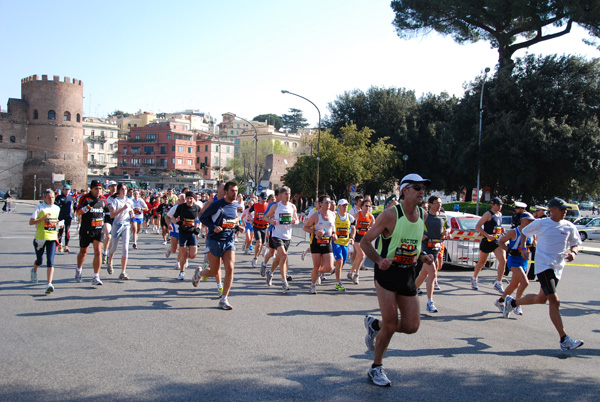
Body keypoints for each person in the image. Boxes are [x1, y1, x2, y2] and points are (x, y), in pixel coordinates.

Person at [361, 174, 434, 387]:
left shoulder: (423, 214)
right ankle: (376, 368)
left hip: (408, 273)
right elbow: (365, 242)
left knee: (412, 326)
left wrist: (423, 256)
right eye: (418, 187)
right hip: (387, 273)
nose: (422, 191)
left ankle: (375, 325)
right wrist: (379, 259)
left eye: (424, 188)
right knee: (392, 323)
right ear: (405, 190)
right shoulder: (390, 215)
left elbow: (414, 243)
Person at [503, 198, 584, 351]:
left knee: (542, 299)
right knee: (554, 301)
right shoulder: (542, 223)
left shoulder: (569, 226)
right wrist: (524, 248)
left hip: (558, 268)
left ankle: (512, 302)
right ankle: (564, 339)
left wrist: (573, 252)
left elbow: (576, 243)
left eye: (565, 209)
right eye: (561, 209)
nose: (565, 211)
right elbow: (525, 232)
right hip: (544, 265)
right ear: (552, 209)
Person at [196, 182, 244, 309]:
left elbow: (231, 222)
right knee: (214, 271)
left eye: (237, 190)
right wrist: (213, 227)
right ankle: (200, 274)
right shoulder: (216, 205)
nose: (235, 193)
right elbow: (203, 218)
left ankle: (224, 299)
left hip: (228, 240)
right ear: (225, 192)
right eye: (233, 191)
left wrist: (238, 227)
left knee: (230, 267)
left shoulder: (235, 206)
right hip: (214, 240)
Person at [495, 212, 535, 315]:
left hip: (524, 261)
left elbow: (533, 245)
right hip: (513, 260)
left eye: (532, 221)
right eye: (528, 220)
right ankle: (516, 304)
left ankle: (500, 301)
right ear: (522, 220)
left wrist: (531, 249)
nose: (530, 222)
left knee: (514, 284)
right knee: (525, 282)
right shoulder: (514, 232)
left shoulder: (532, 233)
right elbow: (500, 242)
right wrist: (508, 250)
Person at [414, 195, 449, 313]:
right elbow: (414, 228)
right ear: (430, 204)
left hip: (436, 248)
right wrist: (420, 235)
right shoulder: (424, 216)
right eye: (436, 203)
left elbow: (447, 228)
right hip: (424, 248)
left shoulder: (443, 216)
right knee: (433, 273)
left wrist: (446, 232)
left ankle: (408, 295)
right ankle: (430, 302)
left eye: (440, 203)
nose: (439, 205)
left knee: (424, 274)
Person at [264, 186, 299, 293]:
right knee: (284, 255)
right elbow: (265, 217)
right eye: (286, 194)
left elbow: (297, 220)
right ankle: (284, 282)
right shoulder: (275, 207)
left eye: (289, 194)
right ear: (280, 195)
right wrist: (271, 221)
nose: (288, 196)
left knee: (279, 258)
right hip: (276, 235)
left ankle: (270, 273)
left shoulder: (292, 207)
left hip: (287, 236)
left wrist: (294, 221)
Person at [75, 180, 109, 286]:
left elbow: (107, 211)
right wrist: (87, 207)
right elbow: (78, 213)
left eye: (100, 189)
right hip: (86, 229)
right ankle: (79, 269)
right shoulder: (85, 198)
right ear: (92, 189)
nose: (99, 191)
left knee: (98, 251)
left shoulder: (103, 199)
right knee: (83, 252)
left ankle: (96, 276)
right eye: (96, 188)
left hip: (98, 229)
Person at [471, 197, 507, 293]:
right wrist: (487, 235)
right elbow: (477, 226)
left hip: (497, 241)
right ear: (493, 205)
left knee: (503, 260)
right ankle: (474, 278)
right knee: (482, 262)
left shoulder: (500, 214)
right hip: (487, 241)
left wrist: (501, 230)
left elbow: (497, 226)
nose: (500, 207)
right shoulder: (488, 214)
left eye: (501, 205)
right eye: (498, 205)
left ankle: (499, 283)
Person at [303, 195, 337, 294]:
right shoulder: (316, 215)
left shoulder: (332, 214)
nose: (328, 204)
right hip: (316, 243)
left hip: (327, 243)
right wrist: (315, 232)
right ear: (321, 204)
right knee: (316, 265)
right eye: (326, 202)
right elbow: (305, 227)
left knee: (330, 267)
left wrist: (334, 234)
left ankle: (316, 273)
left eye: (329, 202)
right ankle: (313, 285)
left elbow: (332, 227)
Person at [29, 189, 61, 293]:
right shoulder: (39, 207)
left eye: (53, 197)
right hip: (40, 237)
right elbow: (31, 222)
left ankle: (49, 284)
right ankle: (34, 270)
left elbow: (55, 221)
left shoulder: (57, 208)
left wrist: (58, 223)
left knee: (50, 261)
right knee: (39, 260)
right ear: (44, 198)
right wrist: (43, 218)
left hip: (52, 237)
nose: (51, 199)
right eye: (49, 198)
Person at [170, 191, 201, 280]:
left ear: (194, 199)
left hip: (192, 233)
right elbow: (172, 218)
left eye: (191, 198)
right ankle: (182, 272)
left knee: (193, 255)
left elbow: (200, 219)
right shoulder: (181, 207)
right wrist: (177, 222)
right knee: (183, 253)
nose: (189, 200)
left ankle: (185, 258)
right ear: (185, 199)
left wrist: (198, 226)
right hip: (183, 232)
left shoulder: (197, 208)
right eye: (187, 198)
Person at [106, 183, 134, 280]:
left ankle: (123, 272)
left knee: (125, 248)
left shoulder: (129, 201)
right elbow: (112, 215)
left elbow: (131, 210)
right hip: (117, 224)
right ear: (118, 191)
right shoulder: (115, 201)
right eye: (122, 189)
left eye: (125, 189)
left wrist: (132, 213)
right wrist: (122, 209)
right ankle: (109, 261)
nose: (124, 191)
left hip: (126, 225)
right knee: (114, 248)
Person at [349, 196, 375, 284]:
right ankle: (356, 274)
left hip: (364, 239)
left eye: (369, 206)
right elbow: (349, 223)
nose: (367, 208)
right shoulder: (357, 215)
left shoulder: (370, 216)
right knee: (362, 255)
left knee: (359, 257)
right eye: (366, 206)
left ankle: (351, 272)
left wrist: (370, 231)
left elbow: (373, 227)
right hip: (356, 238)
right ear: (362, 206)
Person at [332, 199, 356, 291]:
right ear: (339, 207)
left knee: (342, 263)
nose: (345, 207)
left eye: (346, 205)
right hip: (336, 243)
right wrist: (333, 233)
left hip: (345, 243)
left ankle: (332, 266)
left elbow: (353, 228)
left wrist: (352, 238)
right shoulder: (334, 216)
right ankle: (338, 283)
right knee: (340, 260)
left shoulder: (350, 217)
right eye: (343, 205)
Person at [527, 205, 549, 281]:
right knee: (535, 259)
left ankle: (537, 276)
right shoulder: (539, 219)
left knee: (540, 261)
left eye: (537, 211)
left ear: (542, 212)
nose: (536, 212)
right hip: (538, 242)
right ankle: (531, 275)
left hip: (541, 242)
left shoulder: (543, 220)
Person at [54, 184, 76, 253]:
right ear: (63, 190)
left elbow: (75, 207)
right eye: (65, 190)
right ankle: (60, 244)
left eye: (68, 190)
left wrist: (75, 213)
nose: (67, 191)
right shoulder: (59, 197)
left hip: (68, 217)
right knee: (61, 231)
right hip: (60, 217)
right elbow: (56, 206)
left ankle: (66, 245)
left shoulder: (71, 198)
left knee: (67, 230)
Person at [250, 193, 270, 268]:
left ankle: (256, 257)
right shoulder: (255, 205)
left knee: (261, 245)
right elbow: (249, 212)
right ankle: (255, 258)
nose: (264, 200)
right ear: (260, 198)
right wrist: (250, 217)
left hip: (264, 227)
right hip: (256, 226)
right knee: (258, 243)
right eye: (263, 198)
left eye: (265, 198)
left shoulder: (268, 205)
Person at [101, 181, 118, 263]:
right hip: (107, 217)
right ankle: (104, 252)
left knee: (112, 238)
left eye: (115, 186)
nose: (114, 188)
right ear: (109, 188)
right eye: (112, 186)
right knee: (108, 236)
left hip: (115, 218)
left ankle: (108, 255)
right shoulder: (105, 196)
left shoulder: (118, 197)